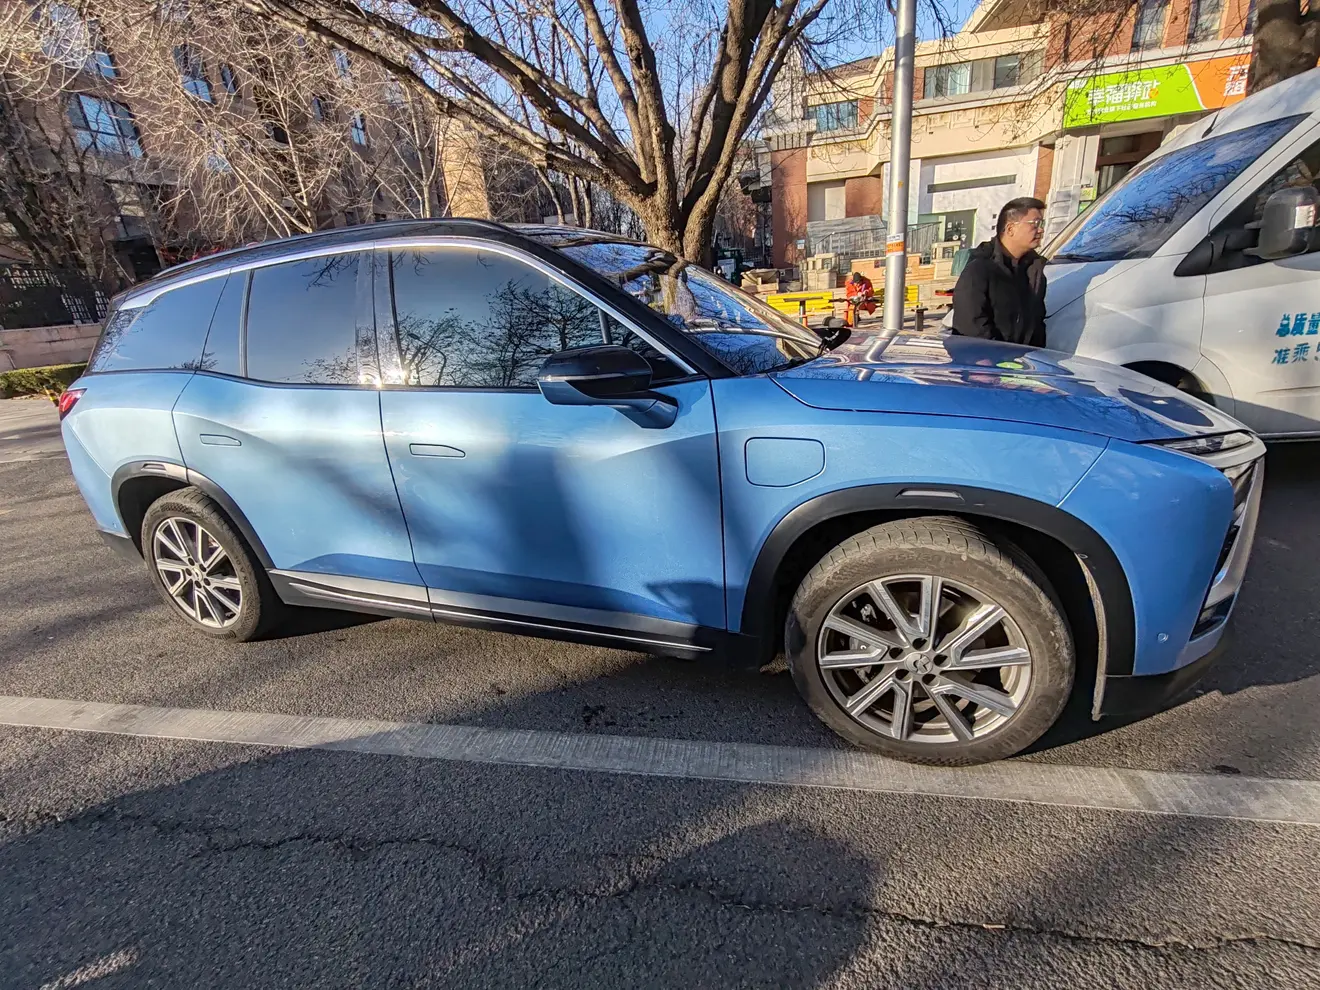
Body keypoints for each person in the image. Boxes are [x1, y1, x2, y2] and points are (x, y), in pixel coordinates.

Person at [950, 197, 1048, 346]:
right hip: (987, 357)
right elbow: (971, 328)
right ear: (1010, 229)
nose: (1040, 230)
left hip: (1024, 358)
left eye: (1041, 224)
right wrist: (999, 356)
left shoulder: (1034, 271)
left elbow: (1037, 323)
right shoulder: (979, 269)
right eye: (1035, 224)